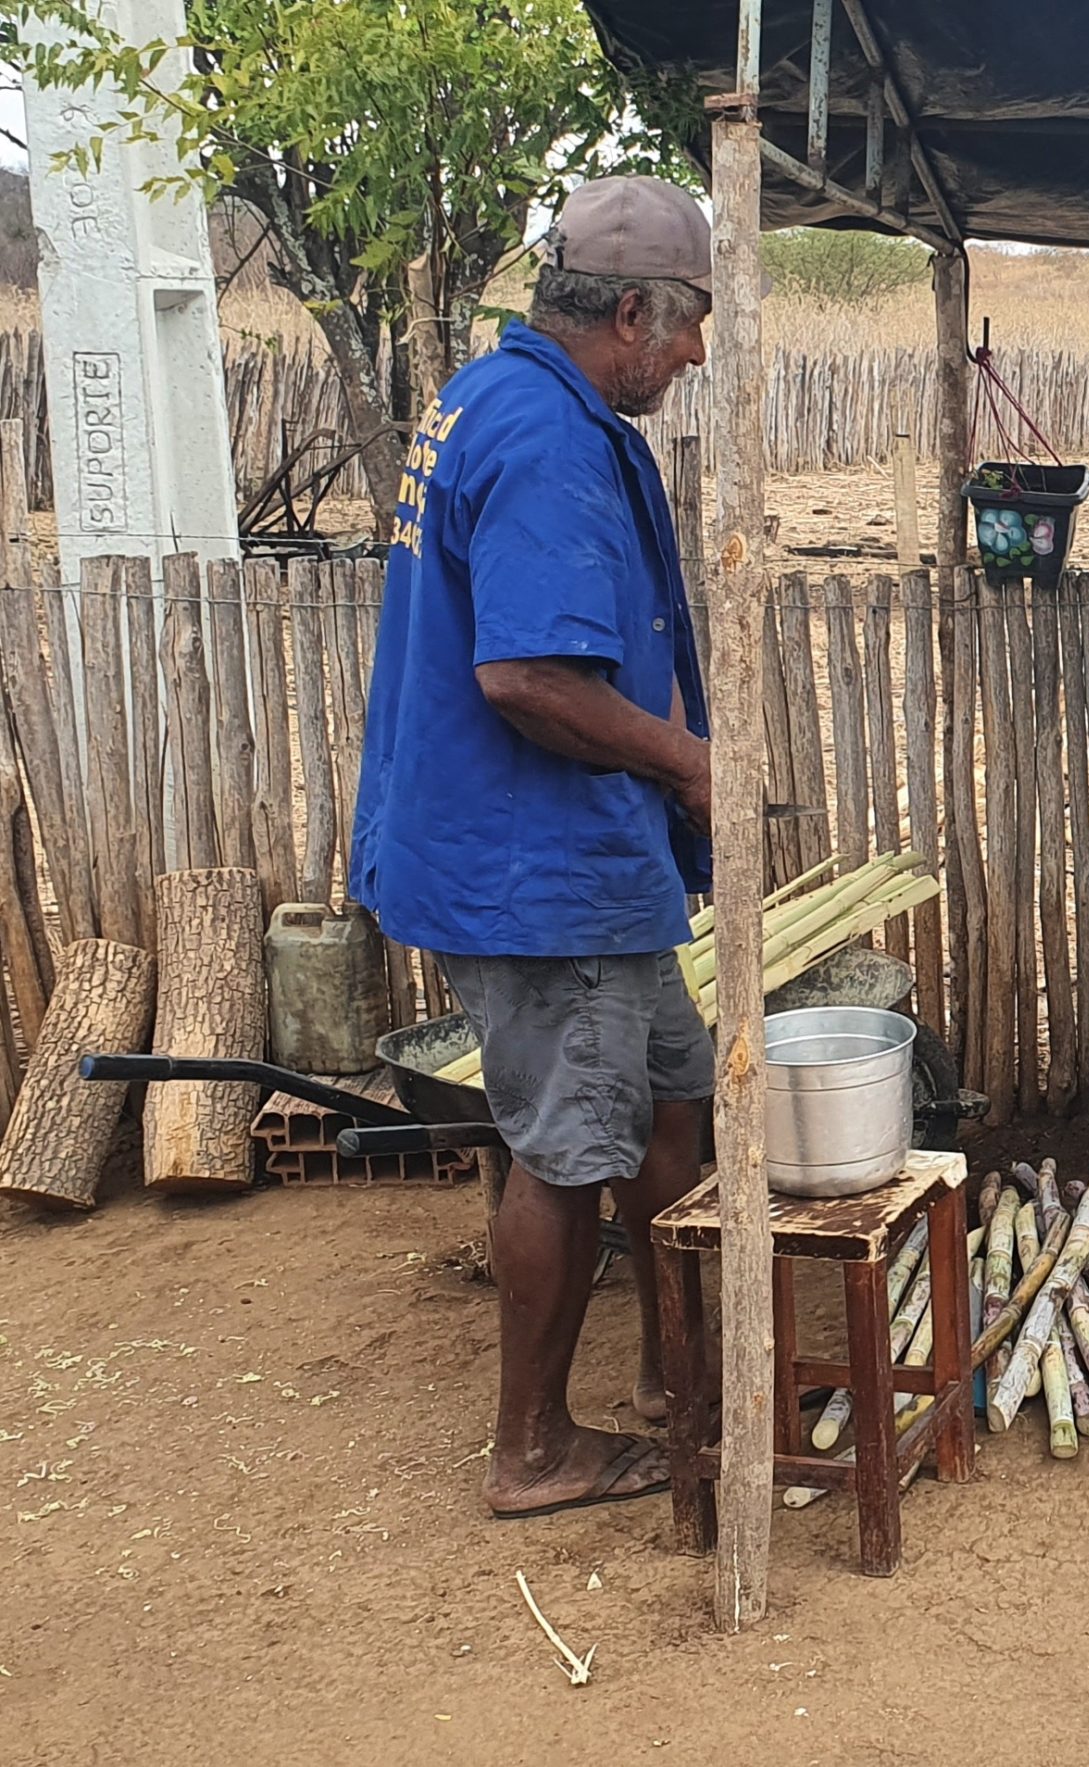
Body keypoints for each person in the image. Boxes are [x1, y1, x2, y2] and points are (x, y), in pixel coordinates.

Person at [350, 176, 715, 1517]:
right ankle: (533, 1447)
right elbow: (528, 677)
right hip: (535, 865)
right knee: (568, 1149)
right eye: (685, 329)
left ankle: (683, 1369)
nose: (691, 355)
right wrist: (691, 766)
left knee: (669, 1096)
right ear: (629, 311)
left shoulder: (505, 397)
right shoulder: (551, 440)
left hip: (578, 855)